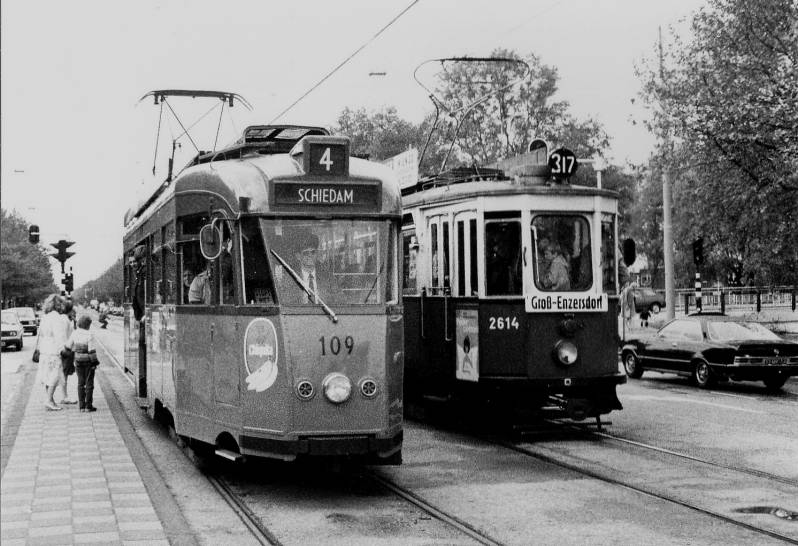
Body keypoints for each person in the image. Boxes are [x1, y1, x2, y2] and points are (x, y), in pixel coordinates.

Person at [281, 230, 339, 304]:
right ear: (298, 256)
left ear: (317, 253)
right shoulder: (290, 279)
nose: (310, 256)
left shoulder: (328, 278)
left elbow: (340, 300)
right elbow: (285, 303)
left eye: (313, 252)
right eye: (306, 253)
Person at [36, 294, 73, 410]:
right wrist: (64, 349)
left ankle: (51, 400)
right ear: (58, 305)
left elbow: (41, 333)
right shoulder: (57, 318)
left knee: (47, 375)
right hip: (53, 349)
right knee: (55, 375)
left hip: (44, 349)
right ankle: (48, 400)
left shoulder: (45, 317)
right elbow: (59, 336)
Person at [65, 314, 99, 412]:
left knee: (80, 382)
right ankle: (88, 406)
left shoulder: (75, 333)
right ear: (88, 325)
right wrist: (94, 363)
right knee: (89, 383)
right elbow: (91, 350)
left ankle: (81, 407)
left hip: (78, 361)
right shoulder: (89, 334)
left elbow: (68, 346)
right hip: (88, 362)